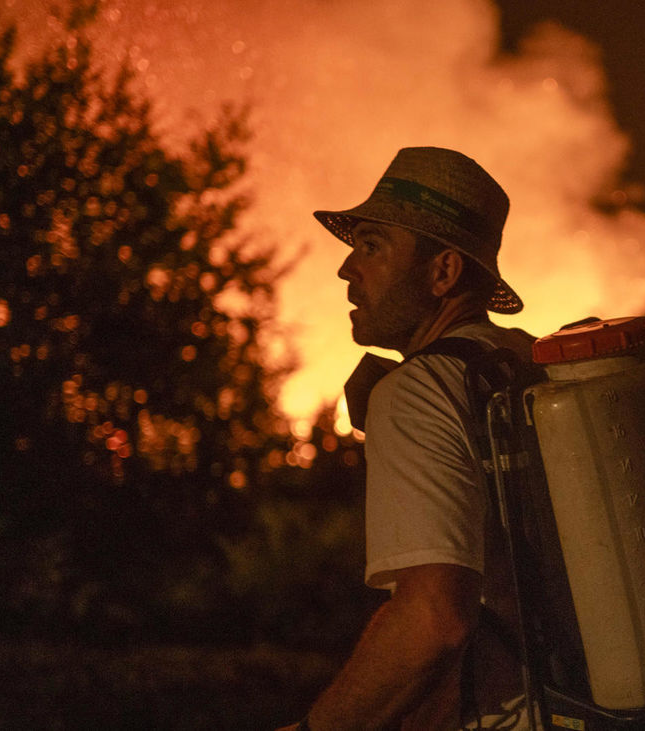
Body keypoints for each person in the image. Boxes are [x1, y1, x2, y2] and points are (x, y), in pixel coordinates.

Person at [284, 147, 536, 730]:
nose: (348, 269)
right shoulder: (523, 359)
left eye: (372, 246)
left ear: (443, 272)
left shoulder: (418, 392)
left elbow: (434, 619)